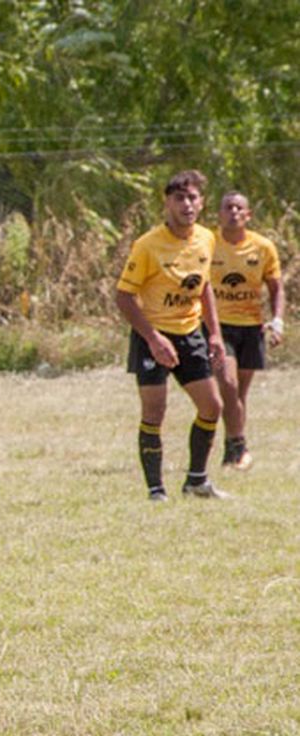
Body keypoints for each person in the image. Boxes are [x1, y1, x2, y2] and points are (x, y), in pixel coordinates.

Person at [114, 170, 227, 501]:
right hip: (153, 335)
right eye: (180, 198)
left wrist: (215, 334)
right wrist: (152, 338)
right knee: (154, 411)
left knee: (212, 406)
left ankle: (196, 481)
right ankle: (156, 490)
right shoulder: (148, 245)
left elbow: (204, 286)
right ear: (167, 204)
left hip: (190, 333)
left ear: (201, 203)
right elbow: (123, 296)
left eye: (192, 198)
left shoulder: (206, 238)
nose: (187, 205)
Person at [209, 191, 285, 471]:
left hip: (251, 327)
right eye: (227, 207)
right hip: (218, 327)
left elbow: (276, 287)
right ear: (219, 213)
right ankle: (239, 446)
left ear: (248, 215)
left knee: (239, 394)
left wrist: (277, 320)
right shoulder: (208, 242)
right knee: (227, 386)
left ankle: (234, 450)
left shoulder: (262, 247)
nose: (233, 212)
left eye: (239, 208)